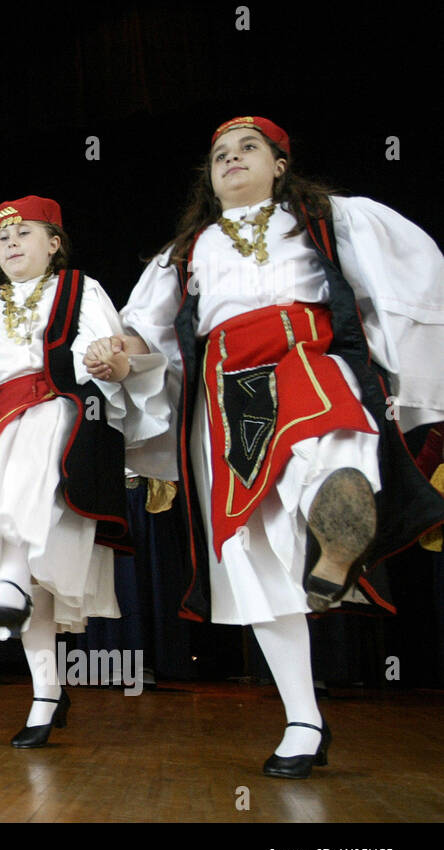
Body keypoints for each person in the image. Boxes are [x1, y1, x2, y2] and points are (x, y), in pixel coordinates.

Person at [100, 115, 444, 777]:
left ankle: (334, 537)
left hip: (306, 357)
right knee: (254, 555)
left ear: (281, 163)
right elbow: (146, 333)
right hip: (227, 390)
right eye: (219, 154)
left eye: (248, 148)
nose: (230, 159)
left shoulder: (328, 219)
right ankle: (303, 718)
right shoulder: (187, 250)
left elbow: (411, 279)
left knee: (333, 448)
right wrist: (119, 356)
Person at [0, 196, 167, 746]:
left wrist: (109, 360)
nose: (10, 244)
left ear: (54, 243)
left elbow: (105, 358)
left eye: (24, 234)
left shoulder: (81, 289)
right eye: (2, 237)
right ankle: (45, 694)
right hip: (2, 425)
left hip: (65, 417)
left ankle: (6, 588)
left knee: (19, 530)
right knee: (34, 575)